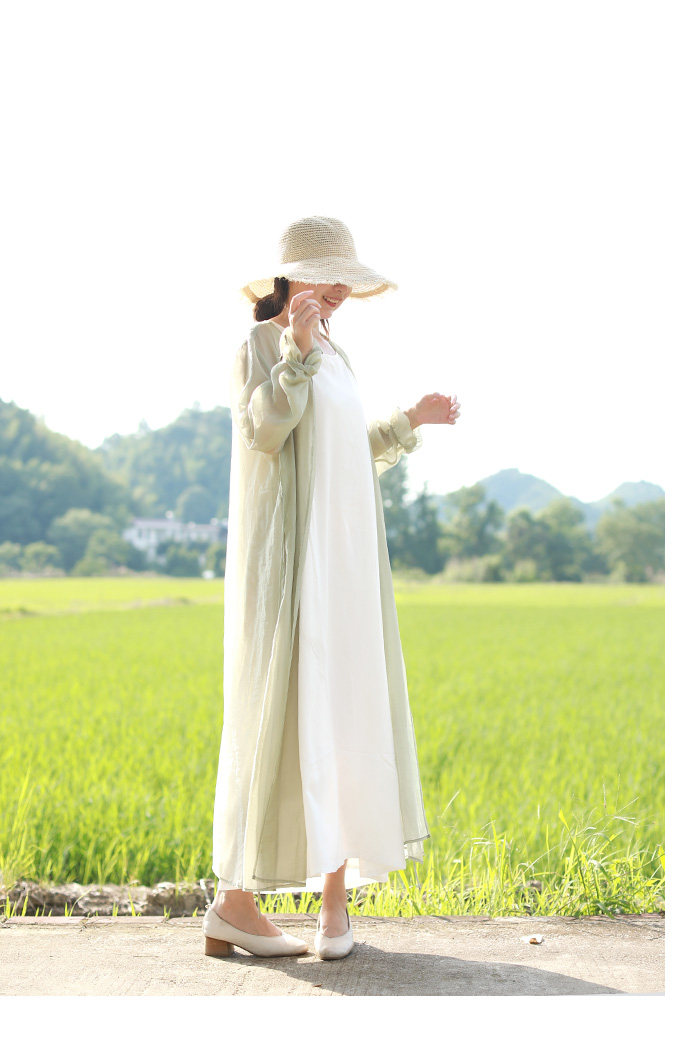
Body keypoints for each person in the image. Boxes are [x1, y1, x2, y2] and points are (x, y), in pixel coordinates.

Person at [203, 215, 460, 960]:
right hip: (292, 562)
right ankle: (234, 903)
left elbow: (342, 453)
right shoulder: (261, 346)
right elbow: (266, 431)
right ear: (291, 277)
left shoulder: (337, 352)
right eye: (330, 276)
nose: (342, 290)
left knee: (345, 712)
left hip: (346, 563)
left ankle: (333, 910)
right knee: (283, 717)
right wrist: (298, 350)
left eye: (348, 278)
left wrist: (411, 420)